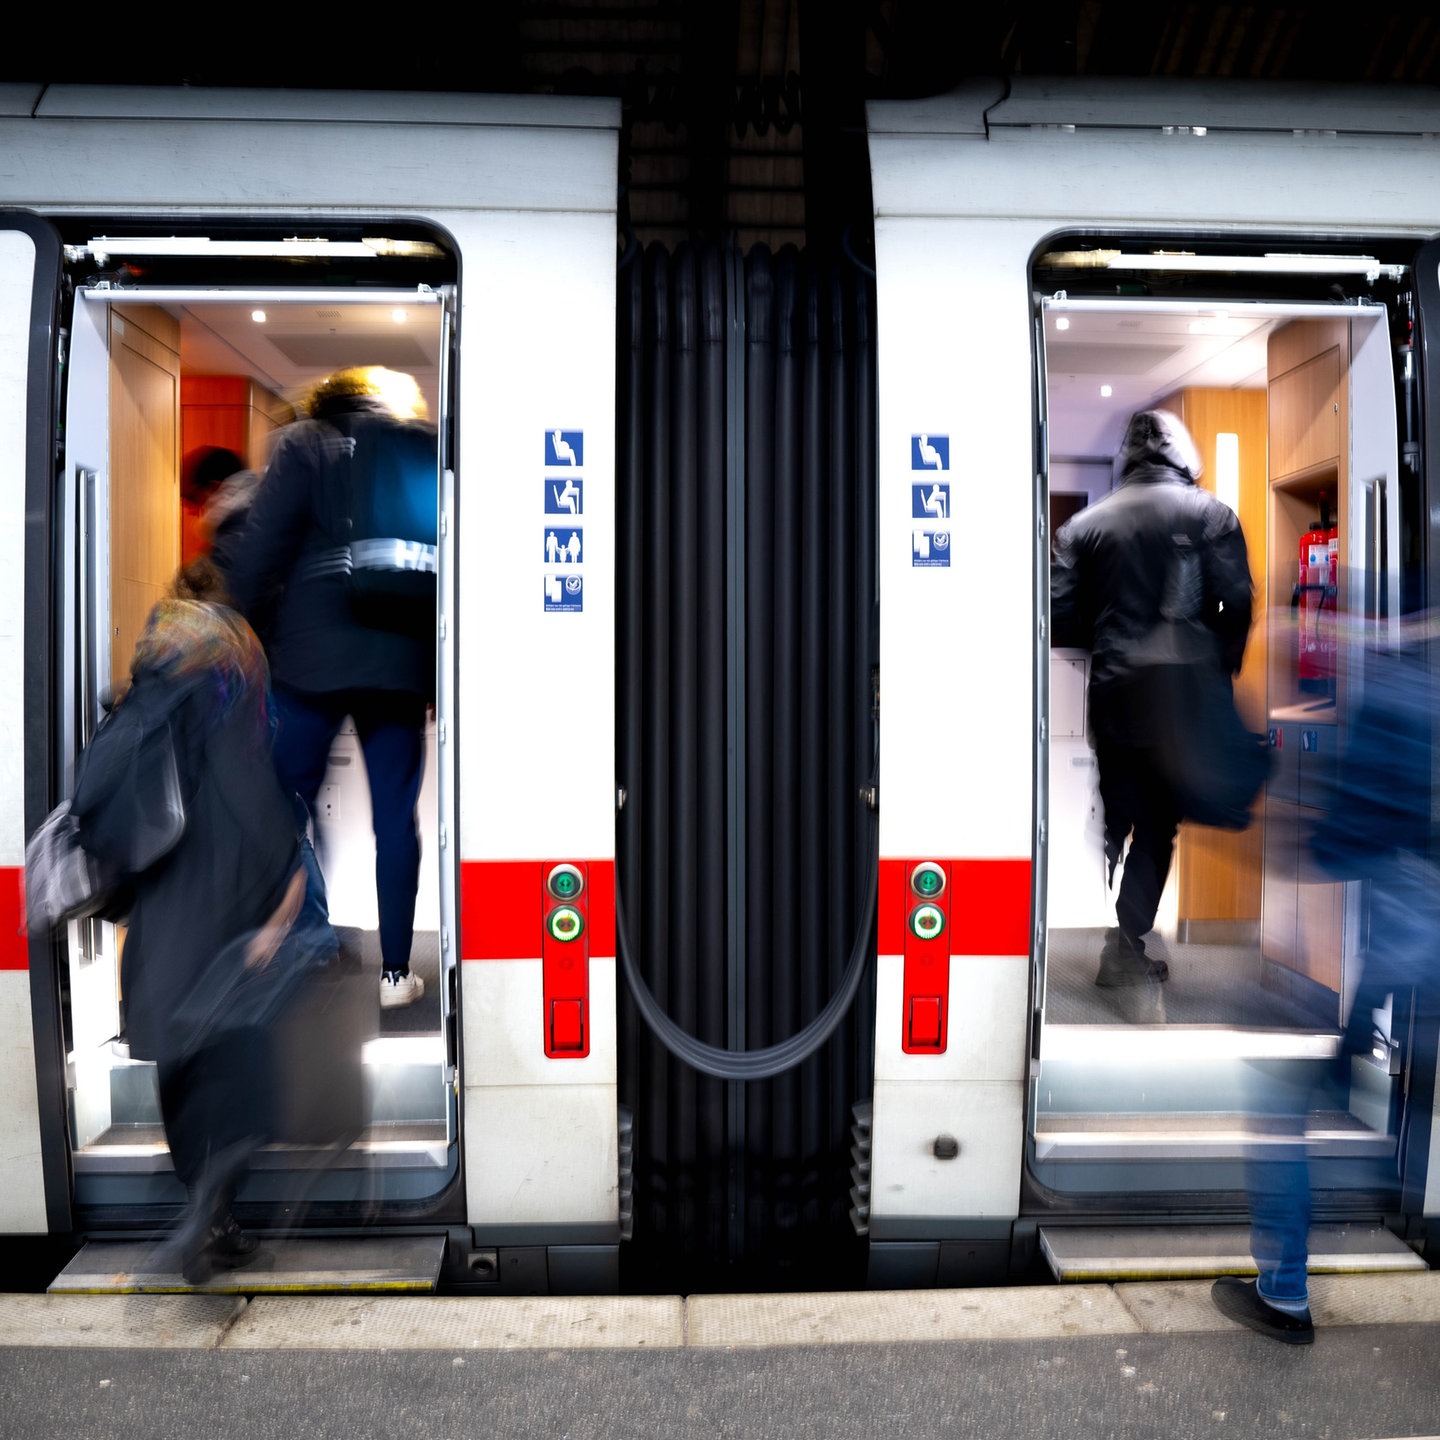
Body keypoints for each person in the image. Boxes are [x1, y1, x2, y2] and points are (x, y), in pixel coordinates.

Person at [1213, 636, 1439, 1344]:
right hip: (1418, 941)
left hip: (1412, 936)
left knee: (1279, 1109)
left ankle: (1282, 1293)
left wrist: (1284, 836)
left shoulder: (1400, 687)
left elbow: (1361, 830)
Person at [111, 560, 331, 1283]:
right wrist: (290, 872)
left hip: (158, 917)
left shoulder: (140, 686)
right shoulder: (228, 676)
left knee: (180, 1065)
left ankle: (212, 1219)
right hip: (219, 900)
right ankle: (212, 1212)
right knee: (236, 1060)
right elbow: (249, 790)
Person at [226, 366, 436, 1009]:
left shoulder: (303, 443)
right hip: (397, 663)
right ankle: (395, 975)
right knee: (396, 820)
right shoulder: (420, 446)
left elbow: (260, 552)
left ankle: (304, 947)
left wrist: (248, 638)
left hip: (308, 663)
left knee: (290, 804)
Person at [1051, 408, 1254, 987]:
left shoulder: (1085, 526)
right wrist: (1215, 666)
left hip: (1114, 692)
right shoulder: (1211, 515)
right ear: (1180, 453)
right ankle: (1127, 940)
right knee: (1160, 823)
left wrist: (1113, 633)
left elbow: (1060, 612)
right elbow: (1236, 602)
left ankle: (1114, 848)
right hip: (1177, 699)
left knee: (1123, 801)